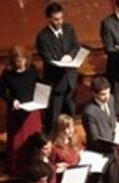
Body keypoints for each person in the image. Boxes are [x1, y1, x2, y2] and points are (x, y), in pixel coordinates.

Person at [82, 76, 119, 183]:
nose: (106, 96)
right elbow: (94, 137)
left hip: (111, 146)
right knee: (95, 182)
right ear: (94, 94)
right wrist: (112, 142)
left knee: (113, 177)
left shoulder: (111, 99)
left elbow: (113, 118)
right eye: (102, 94)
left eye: (108, 92)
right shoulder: (89, 111)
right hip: (97, 151)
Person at [36, 1, 81, 132]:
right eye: (56, 19)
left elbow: (75, 46)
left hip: (70, 80)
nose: (59, 22)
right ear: (49, 18)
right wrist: (60, 62)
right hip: (56, 82)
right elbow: (47, 58)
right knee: (54, 117)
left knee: (70, 114)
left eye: (61, 18)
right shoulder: (42, 37)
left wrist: (70, 56)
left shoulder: (69, 28)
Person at [0, 46, 43, 175]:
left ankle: (35, 164)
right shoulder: (7, 73)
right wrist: (12, 100)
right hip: (17, 110)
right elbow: (2, 92)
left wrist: (40, 98)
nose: (20, 63)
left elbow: (39, 85)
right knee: (18, 139)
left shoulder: (32, 70)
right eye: (17, 60)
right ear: (12, 61)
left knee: (34, 137)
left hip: (32, 110)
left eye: (22, 59)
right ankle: (17, 168)